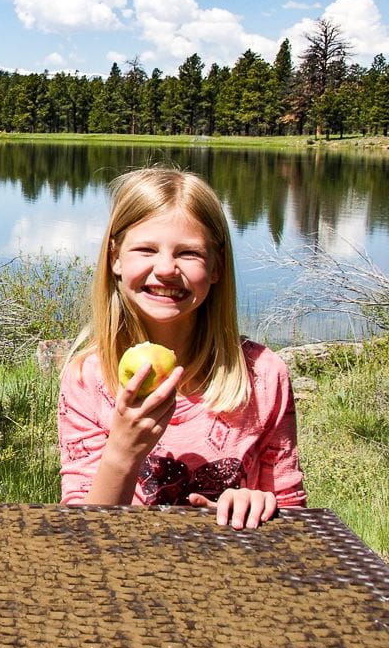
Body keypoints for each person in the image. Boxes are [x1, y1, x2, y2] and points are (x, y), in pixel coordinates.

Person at [57, 167, 304, 528]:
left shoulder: (264, 377)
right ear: (115, 259)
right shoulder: (87, 379)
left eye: (188, 253)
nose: (167, 269)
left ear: (217, 266)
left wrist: (260, 505)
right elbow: (80, 534)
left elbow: (295, 520)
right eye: (145, 249)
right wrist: (123, 451)